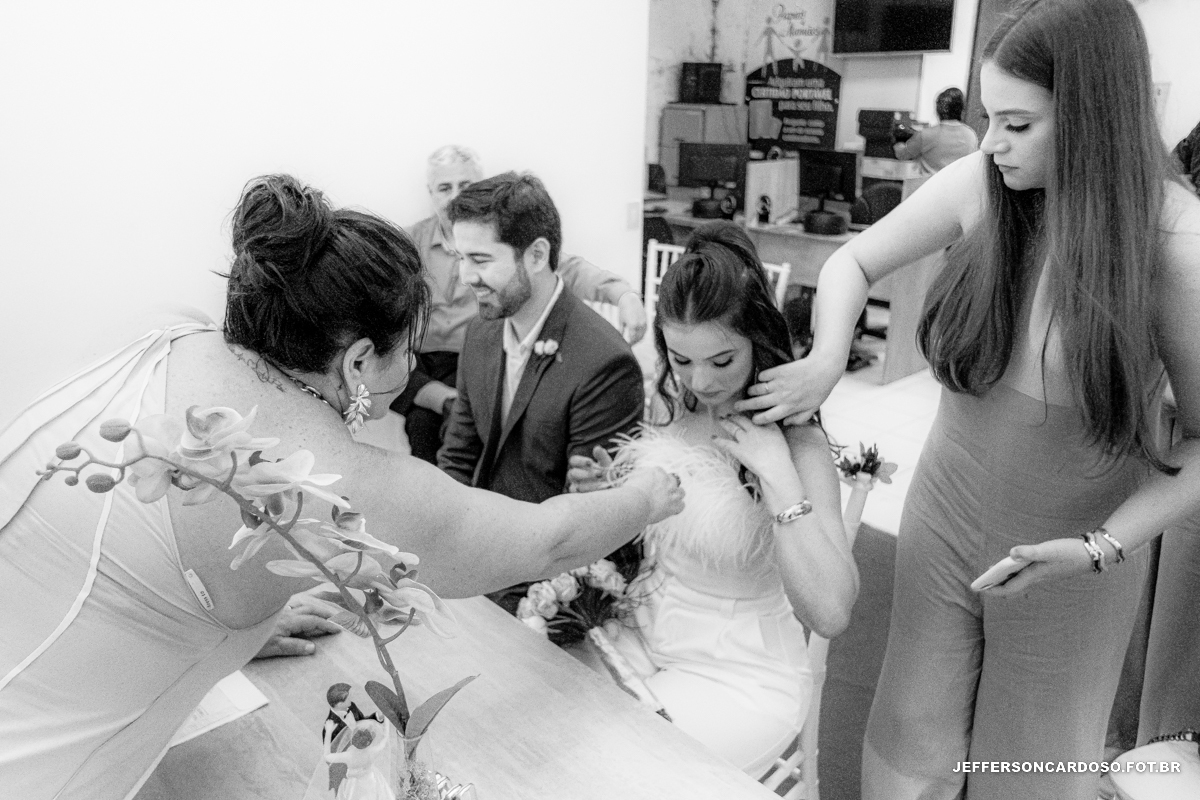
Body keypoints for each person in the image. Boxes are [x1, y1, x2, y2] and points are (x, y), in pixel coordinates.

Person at [0, 174, 684, 800]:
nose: (412, 366)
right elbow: (549, 543)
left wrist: (244, 622)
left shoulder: (172, 336)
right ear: (358, 361)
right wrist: (651, 496)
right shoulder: (330, 478)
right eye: (408, 350)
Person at [735, 1, 1200, 797]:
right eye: (989, 118)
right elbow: (852, 262)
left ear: (1092, 120)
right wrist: (827, 357)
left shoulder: (1176, 243)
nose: (990, 143)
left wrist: (1101, 546)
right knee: (908, 736)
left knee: (1029, 764)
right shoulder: (984, 185)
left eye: (1018, 124)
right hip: (947, 508)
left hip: (1079, 546)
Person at [568, 221, 858, 778]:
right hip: (645, 637)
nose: (699, 381)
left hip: (740, 677)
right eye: (681, 360)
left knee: (623, 770)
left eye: (721, 361)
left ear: (758, 341)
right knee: (553, 729)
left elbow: (831, 611)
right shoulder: (671, 405)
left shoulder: (798, 440)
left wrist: (778, 477)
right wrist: (615, 494)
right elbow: (666, 527)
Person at [438, 172, 645, 611]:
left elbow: (588, 519)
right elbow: (458, 456)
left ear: (536, 255)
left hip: (546, 582)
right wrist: (441, 553)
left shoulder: (604, 361)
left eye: (479, 259)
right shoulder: (481, 333)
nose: (465, 276)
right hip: (476, 557)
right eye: (460, 258)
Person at [391, 145, 647, 463]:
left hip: (471, 356)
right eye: (445, 188)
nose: (455, 196)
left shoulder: (507, 240)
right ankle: (443, 404)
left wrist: (624, 295)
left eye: (465, 186)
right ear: (430, 193)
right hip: (421, 361)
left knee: (440, 428)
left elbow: (569, 268)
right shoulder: (409, 242)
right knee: (400, 383)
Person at [892, 87, 980, 176]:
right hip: (958, 183)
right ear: (962, 110)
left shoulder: (926, 134)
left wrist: (898, 145)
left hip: (929, 183)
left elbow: (902, 155)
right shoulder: (971, 135)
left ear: (938, 110)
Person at [323, 721, 393, 800]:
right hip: (370, 781)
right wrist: (387, 720)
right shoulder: (372, 753)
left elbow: (327, 756)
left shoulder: (348, 756)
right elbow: (385, 738)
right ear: (369, 742)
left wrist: (328, 732)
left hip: (352, 785)